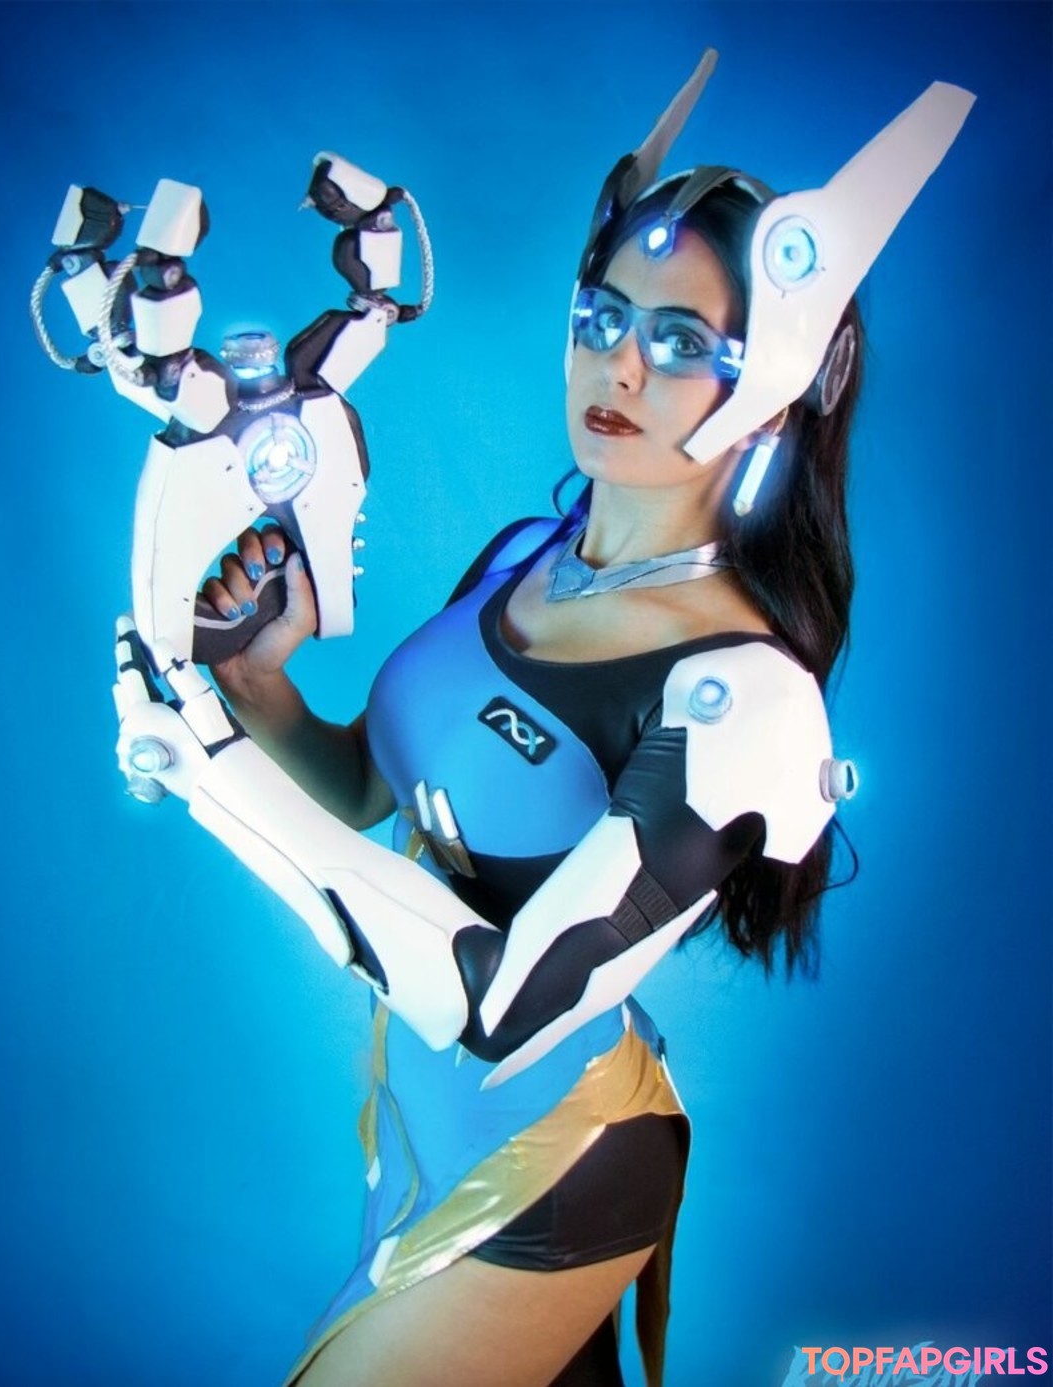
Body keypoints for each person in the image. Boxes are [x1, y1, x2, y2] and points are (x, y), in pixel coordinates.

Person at [113, 56, 973, 1387]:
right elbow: (366, 794)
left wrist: (209, 771)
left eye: (678, 340)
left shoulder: (744, 699)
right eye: (603, 314)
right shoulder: (528, 551)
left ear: (778, 374)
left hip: (555, 1162)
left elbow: (501, 1006)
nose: (617, 361)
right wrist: (262, 684)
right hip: (415, 1135)